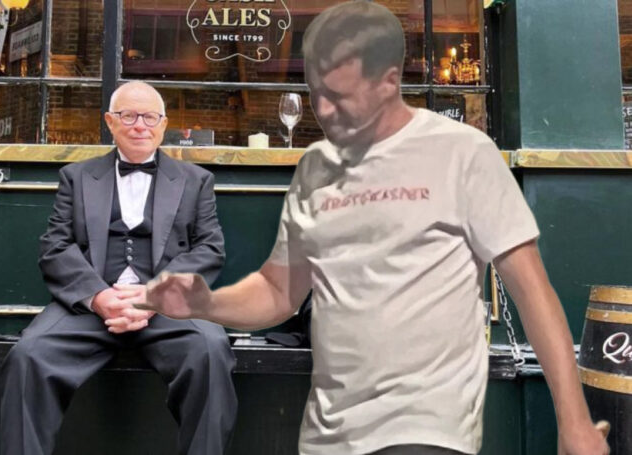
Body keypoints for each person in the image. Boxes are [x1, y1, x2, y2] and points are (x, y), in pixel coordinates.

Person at [141, 3, 610, 455]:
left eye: (341, 96)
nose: (325, 110)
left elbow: (531, 290)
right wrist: (206, 304)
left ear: (389, 82)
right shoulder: (316, 168)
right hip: (331, 434)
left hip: (427, 425)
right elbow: (278, 291)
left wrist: (574, 421)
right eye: (317, 93)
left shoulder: (463, 152)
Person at [0, 81, 237, 455]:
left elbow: (209, 249)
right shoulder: (76, 176)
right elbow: (55, 247)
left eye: (149, 117)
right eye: (128, 116)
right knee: (27, 356)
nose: (139, 125)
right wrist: (98, 297)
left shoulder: (196, 180)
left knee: (210, 349)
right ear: (110, 122)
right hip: (90, 308)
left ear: (163, 124)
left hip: (166, 308)